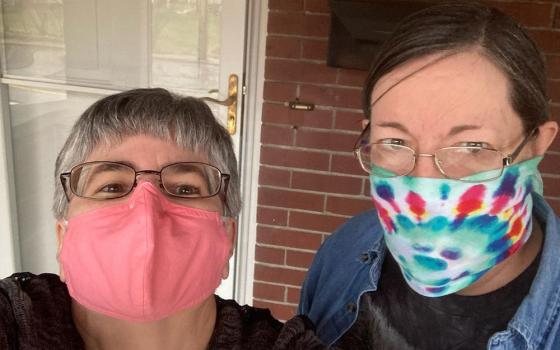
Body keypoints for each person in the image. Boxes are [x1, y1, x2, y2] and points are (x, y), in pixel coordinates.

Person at [299, 2, 560, 349]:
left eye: (470, 146)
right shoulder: (345, 251)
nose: (424, 190)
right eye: (394, 141)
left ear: (537, 144)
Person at [0, 88, 325, 349]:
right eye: (112, 187)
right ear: (63, 236)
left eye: (184, 189)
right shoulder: (16, 323)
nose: (147, 212)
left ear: (228, 237)